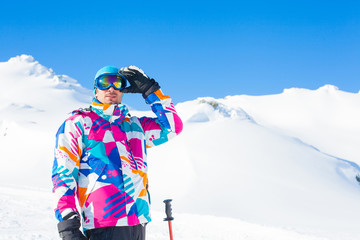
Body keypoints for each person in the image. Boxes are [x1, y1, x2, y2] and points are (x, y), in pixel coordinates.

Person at [52, 66, 183, 240]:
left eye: (117, 83)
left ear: (123, 90)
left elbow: (173, 127)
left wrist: (150, 90)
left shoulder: (135, 126)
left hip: (138, 222)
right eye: (104, 83)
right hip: (103, 223)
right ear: (95, 90)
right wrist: (68, 225)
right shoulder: (79, 123)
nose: (111, 88)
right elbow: (63, 173)